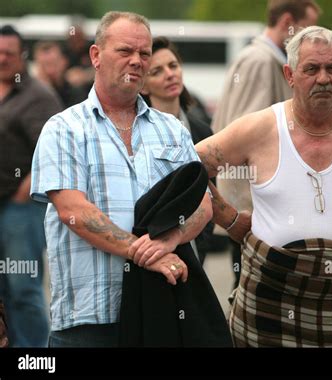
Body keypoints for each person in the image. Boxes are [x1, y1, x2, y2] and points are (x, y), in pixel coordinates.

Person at [196, 26, 332, 347]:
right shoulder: (260, 128)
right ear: (290, 74)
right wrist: (228, 217)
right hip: (269, 300)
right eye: (311, 69)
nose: (323, 78)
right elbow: (189, 166)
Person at [30, 11, 212, 348]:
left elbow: (202, 204)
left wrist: (170, 241)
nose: (137, 61)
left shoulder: (172, 129)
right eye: (125, 51)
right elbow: (74, 211)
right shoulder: (63, 128)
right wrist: (145, 253)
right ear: (96, 56)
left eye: (144, 54)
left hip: (160, 312)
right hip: (89, 320)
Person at [211, 0, 321, 287]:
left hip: (254, 209)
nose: (310, 40)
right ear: (288, 22)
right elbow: (243, 137)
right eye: (307, 30)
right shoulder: (260, 61)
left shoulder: (265, 58)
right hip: (251, 211)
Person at [0, 25, 63, 347]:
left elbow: (52, 148)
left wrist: (27, 186)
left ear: (21, 55)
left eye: (9, 52)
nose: (3, 58)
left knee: (23, 287)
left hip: (19, 209)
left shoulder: (38, 95)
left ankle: (36, 355)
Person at [140, 37, 215, 262]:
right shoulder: (136, 131)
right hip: (149, 246)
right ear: (143, 86)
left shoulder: (201, 130)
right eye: (157, 71)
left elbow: (212, 194)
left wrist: (198, 246)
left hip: (193, 248)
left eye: (173, 66)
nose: (170, 74)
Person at [33, 41, 88, 108]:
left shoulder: (75, 93)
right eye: (44, 66)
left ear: (64, 62)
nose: (50, 71)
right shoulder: (30, 96)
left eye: (54, 64)